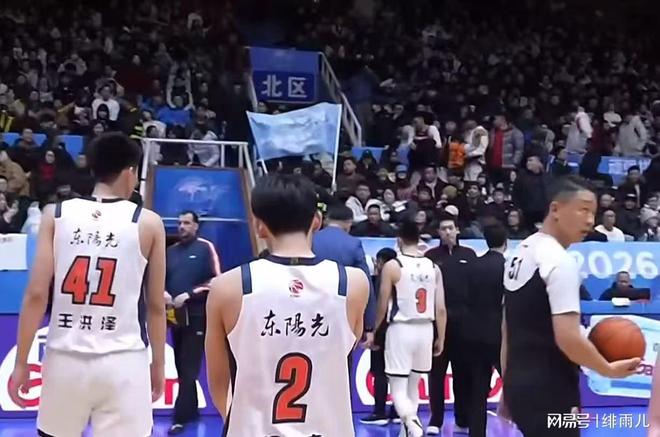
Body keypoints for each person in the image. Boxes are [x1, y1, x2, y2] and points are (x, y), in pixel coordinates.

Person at [9, 132, 167, 436]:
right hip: (124, 360)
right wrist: (158, 363)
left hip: (64, 359)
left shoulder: (55, 214)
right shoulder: (148, 222)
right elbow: (156, 306)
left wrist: (21, 362)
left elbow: (36, 295)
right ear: (130, 171)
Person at [205, 174, 370, 436]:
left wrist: (236, 420)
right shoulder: (353, 283)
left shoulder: (227, 286)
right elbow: (347, 346)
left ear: (259, 226)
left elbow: (218, 381)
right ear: (317, 221)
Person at [501, 175, 641, 437]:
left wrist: (507, 388)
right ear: (555, 209)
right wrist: (607, 369)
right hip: (551, 390)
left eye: (593, 213)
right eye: (583, 210)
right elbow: (568, 338)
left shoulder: (520, 252)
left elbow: (507, 328)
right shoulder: (559, 261)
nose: (589, 220)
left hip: (519, 385)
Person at [376, 216, 446, 437]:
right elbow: (441, 308)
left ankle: (411, 422)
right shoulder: (433, 266)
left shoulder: (393, 265)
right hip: (426, 328)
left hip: (401, 328)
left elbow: (382, 303)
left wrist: (375, 329)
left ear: (399, 240)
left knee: (397, 386)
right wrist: (441, 337)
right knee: (413, 385)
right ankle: (406, 432)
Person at [165, 210, 221, 435]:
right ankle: (191, 411)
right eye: (180, 223)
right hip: (174, 315)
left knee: (189, 366)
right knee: (181, 365)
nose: (182, 226)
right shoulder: (170, 252)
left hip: (197, 314)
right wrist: (163, 292)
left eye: (187, 223)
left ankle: (179, 419)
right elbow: (160, 278)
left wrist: (190, 294)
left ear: (196, 226)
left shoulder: (206, 248)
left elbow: (216, 279)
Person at [424, 212, 477, 435]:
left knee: (462, 374)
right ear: (438, 232)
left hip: (464, 325)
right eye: (443, 228)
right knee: (436, 374)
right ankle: (435, 420)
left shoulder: (469, 255)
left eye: (451, 228)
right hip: (437, 324)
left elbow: (476, 288)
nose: (447, 232)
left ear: (457, 230)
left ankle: (462, 420)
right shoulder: (430, 257)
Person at [464, 223, 507, 437]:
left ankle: (476, 433)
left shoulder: (473, 266)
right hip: (500, 333)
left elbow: (466, 298)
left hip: (474, 333)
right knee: (514, 383)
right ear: (506, 243)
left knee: (478, 388)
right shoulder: (507, 267)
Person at [360, 247, 399, 426]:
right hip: (400, 330)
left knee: (380, 372)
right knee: (398, 373)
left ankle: (379, 412)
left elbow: (377, 308)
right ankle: (397, 411)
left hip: (383, 330)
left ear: (381, 262)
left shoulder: (378, 281)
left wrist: (373, 331)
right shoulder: (402, 280)